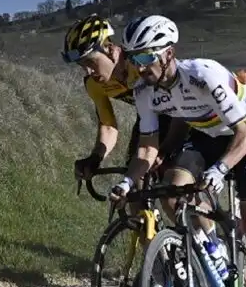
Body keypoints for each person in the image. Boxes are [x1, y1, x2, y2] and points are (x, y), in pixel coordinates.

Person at [109, 15, 246, 287]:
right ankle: (213, 250)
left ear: (168, 54)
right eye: (132, 58)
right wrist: (127, 182)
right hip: (204, 134)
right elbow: (147, 148)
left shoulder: (204, 75)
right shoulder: (144, 91)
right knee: (171, 191)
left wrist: (220, 170)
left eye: (145, 58)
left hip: (245, 133)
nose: (138, 68)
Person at [61, 14, 178, 179]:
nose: (88, 72)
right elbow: (108, 126)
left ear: (109, 49)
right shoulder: (94, 84)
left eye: (91, 63)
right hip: (148, 119)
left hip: (180, 115)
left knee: (173, 182)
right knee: (134, 183)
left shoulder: (141, 65)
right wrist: (96, 158)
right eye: (82, 66)